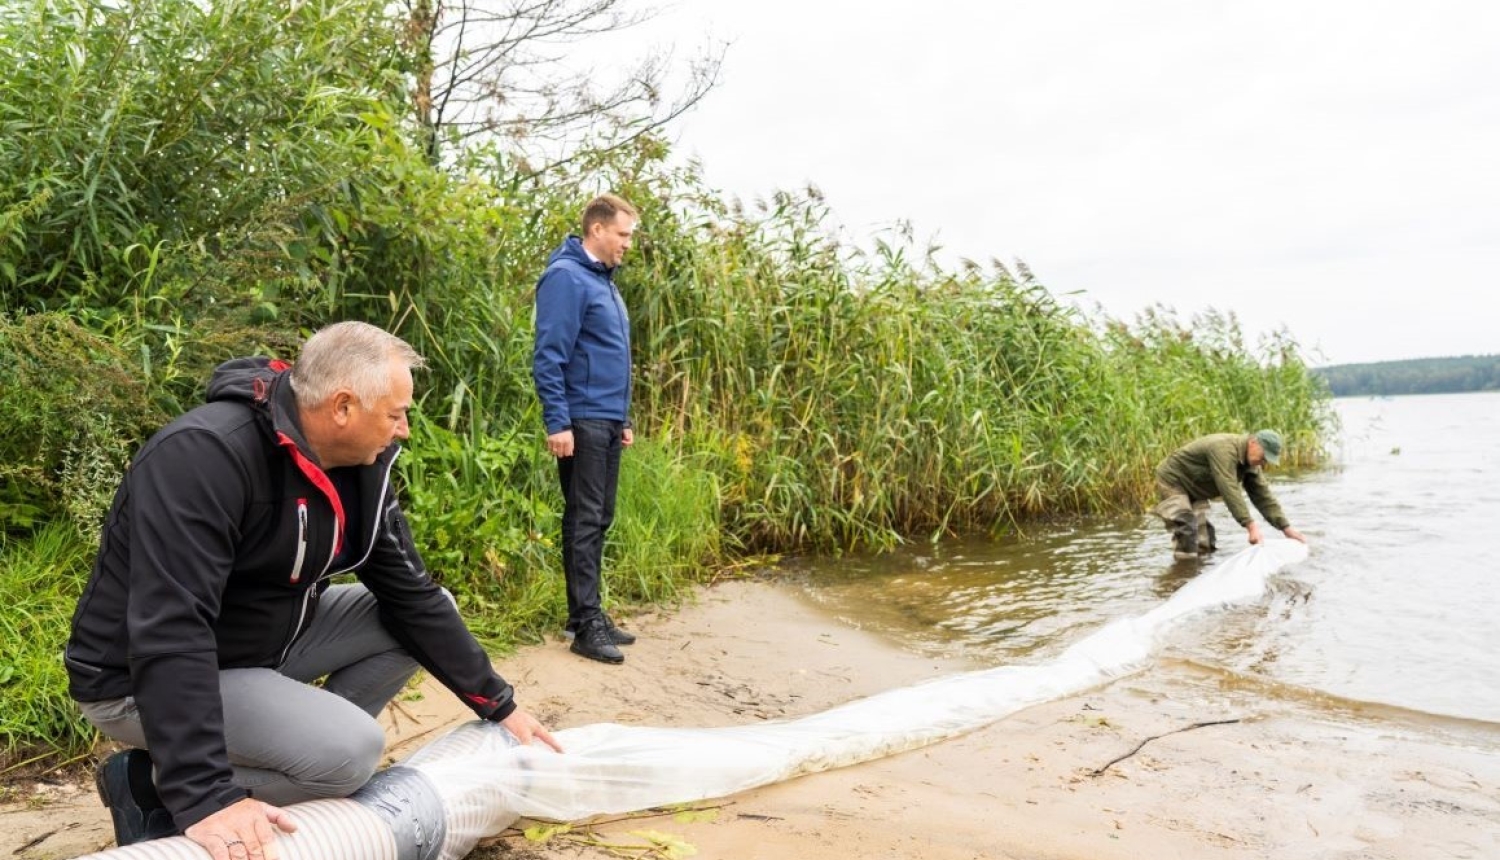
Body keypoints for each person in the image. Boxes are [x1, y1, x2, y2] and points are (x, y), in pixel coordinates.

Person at [65, 321, 562, 856]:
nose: (404, 431)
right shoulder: (204, 456)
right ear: (343, 406)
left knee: (425, 614)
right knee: (352, 754)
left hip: (256, 645)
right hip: (138, 676)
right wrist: (204, 793)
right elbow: (172, 628)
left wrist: (500, 706)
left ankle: (282, 759)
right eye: (395, 414)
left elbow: (410, 596)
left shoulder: (360, 467)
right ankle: (156, 789)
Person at [532, 193, 641, 664]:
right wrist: (558, 421)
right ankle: (585, 625)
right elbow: (549, 355)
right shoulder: (566, 278)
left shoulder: (605, 281)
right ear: (597, 230)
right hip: (580, 420)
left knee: (599, 516)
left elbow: (608, 356)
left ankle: (586, 614)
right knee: (583, 518)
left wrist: (624, 418)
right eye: (623, 234)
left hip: (606, 419)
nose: (628, 244)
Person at [1152, 429, 1308, 560]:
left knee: (1205, 539)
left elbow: (1263, 496)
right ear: (1253, 442)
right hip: (1173, 480)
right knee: (1186, 525)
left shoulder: (1251, 464)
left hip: (1195, 488)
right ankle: (1181, 577)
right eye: (1263, 457)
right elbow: (1228, 487)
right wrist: (1251, 527)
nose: (1263, 463)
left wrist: (1286, 529)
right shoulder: (1223, 448)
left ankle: (1200, 571)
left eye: (1267, 460)